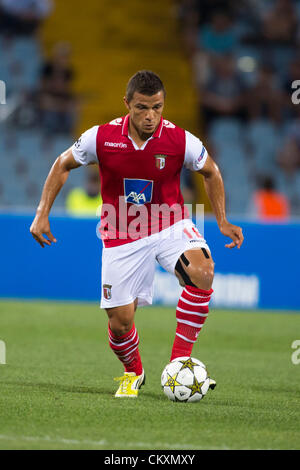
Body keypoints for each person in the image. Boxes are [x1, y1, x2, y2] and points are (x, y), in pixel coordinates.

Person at [30, 70, 244, 398]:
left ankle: (179, 364)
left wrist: (223, 220)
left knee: (202, 271)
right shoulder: (101, 138)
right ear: (127, 104)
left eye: (157, 108)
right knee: (120, 322)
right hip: (121, 231)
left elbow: (211, 172)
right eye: (142, 108)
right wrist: (42, 213)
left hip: (169, 223)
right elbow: (62, 164)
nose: (150, 116)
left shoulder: (180, 141)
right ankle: (134, 372)